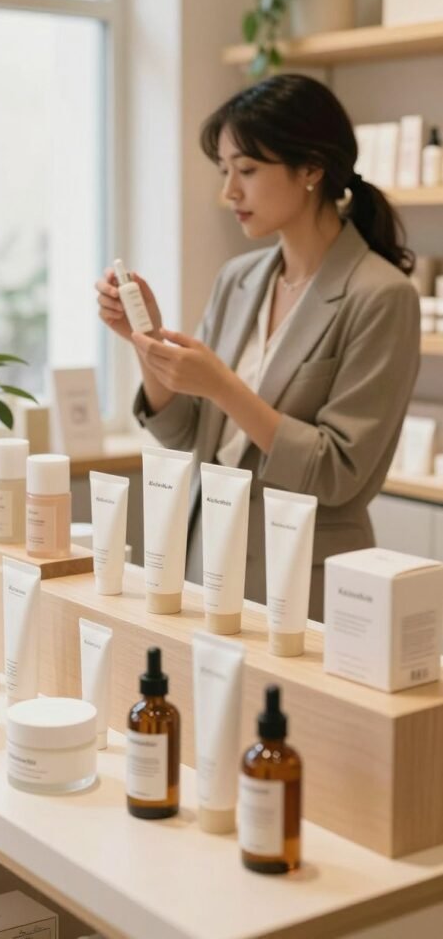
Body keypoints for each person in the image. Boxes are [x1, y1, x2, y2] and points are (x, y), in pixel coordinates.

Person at [96, 74, 420, 621]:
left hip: (304, 583)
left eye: (246, 170)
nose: (229, 192)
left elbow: (337, 472)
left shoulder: (381, 296)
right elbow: (184, 432)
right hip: (205, 560)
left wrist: (224, 386)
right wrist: (144, 338)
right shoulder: (239, 279)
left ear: (312, 168)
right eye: (224, 171)